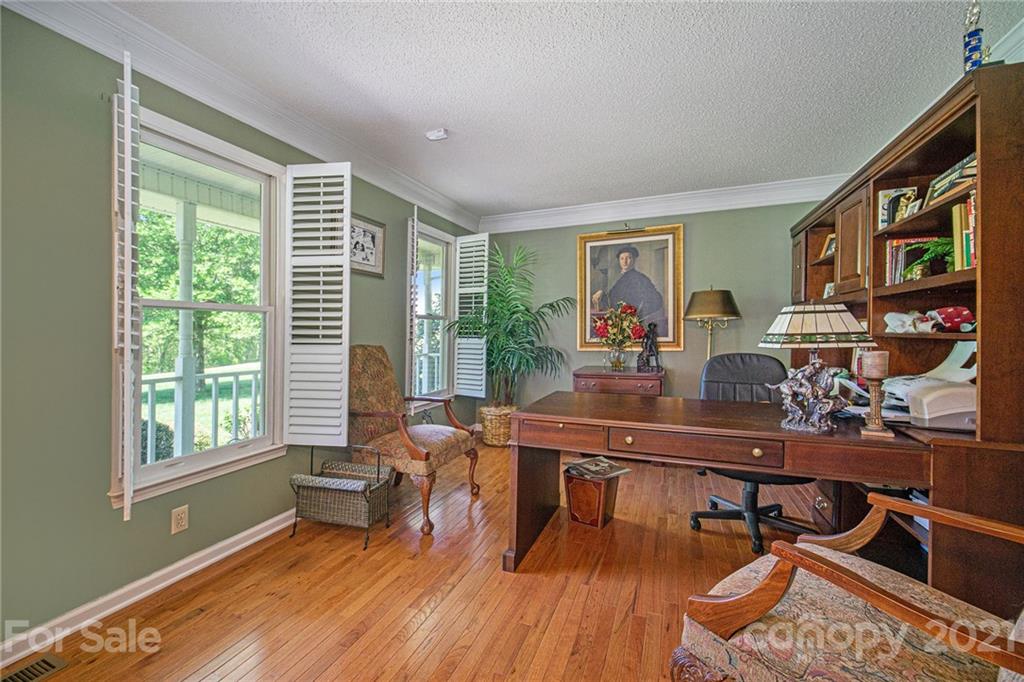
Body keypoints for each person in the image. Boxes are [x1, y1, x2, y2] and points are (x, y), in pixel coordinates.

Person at [591, 244, 668, 336]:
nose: (625, 262)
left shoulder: (641, 279)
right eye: (622, 258)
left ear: (634, 260)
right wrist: (602, 294)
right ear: (619, 261)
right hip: (619, 324)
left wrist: (638, 316)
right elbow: (612, 299)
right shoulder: (619, 278)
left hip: (633, 326)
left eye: (629, 258)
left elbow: (657, 300)